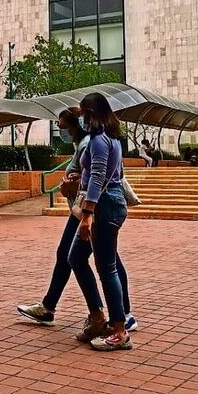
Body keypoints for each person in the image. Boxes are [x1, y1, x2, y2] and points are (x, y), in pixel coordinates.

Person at [17, 109, 136, 332]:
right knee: (77, 256)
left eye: (66, 127)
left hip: (93, 208)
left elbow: (99, 176)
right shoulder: (85, 143)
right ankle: (52, 306)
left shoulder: (92, 143)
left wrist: (78, 192)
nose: (63, 131)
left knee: (94, 260)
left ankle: (114, 315)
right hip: (87, 209)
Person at [68, 92, 133, 351]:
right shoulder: (114, 139)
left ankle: (120, 331)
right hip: (110, 201)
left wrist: (87, 215)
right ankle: (98, 317)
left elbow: (97, 177)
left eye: (84, 113)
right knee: (76, 257)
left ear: (92, 114)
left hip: (103, 206)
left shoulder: (98, 141)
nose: (81, 118)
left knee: (106, 268)